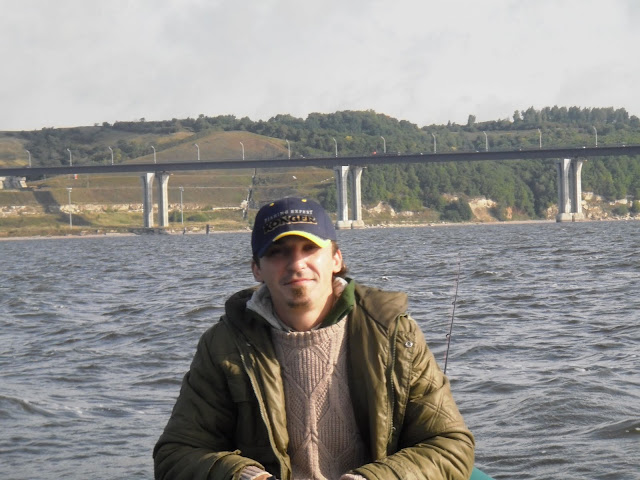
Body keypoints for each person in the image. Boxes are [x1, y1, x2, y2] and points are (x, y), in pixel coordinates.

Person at [154, 197, 475, 480]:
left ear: (336, 259)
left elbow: (449, 445)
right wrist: (245, 476)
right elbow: (177, 453)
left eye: (309, 248)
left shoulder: (395, 334)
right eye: (277, 253)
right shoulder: (223, 345)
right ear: (257, 269)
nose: (296, 264)